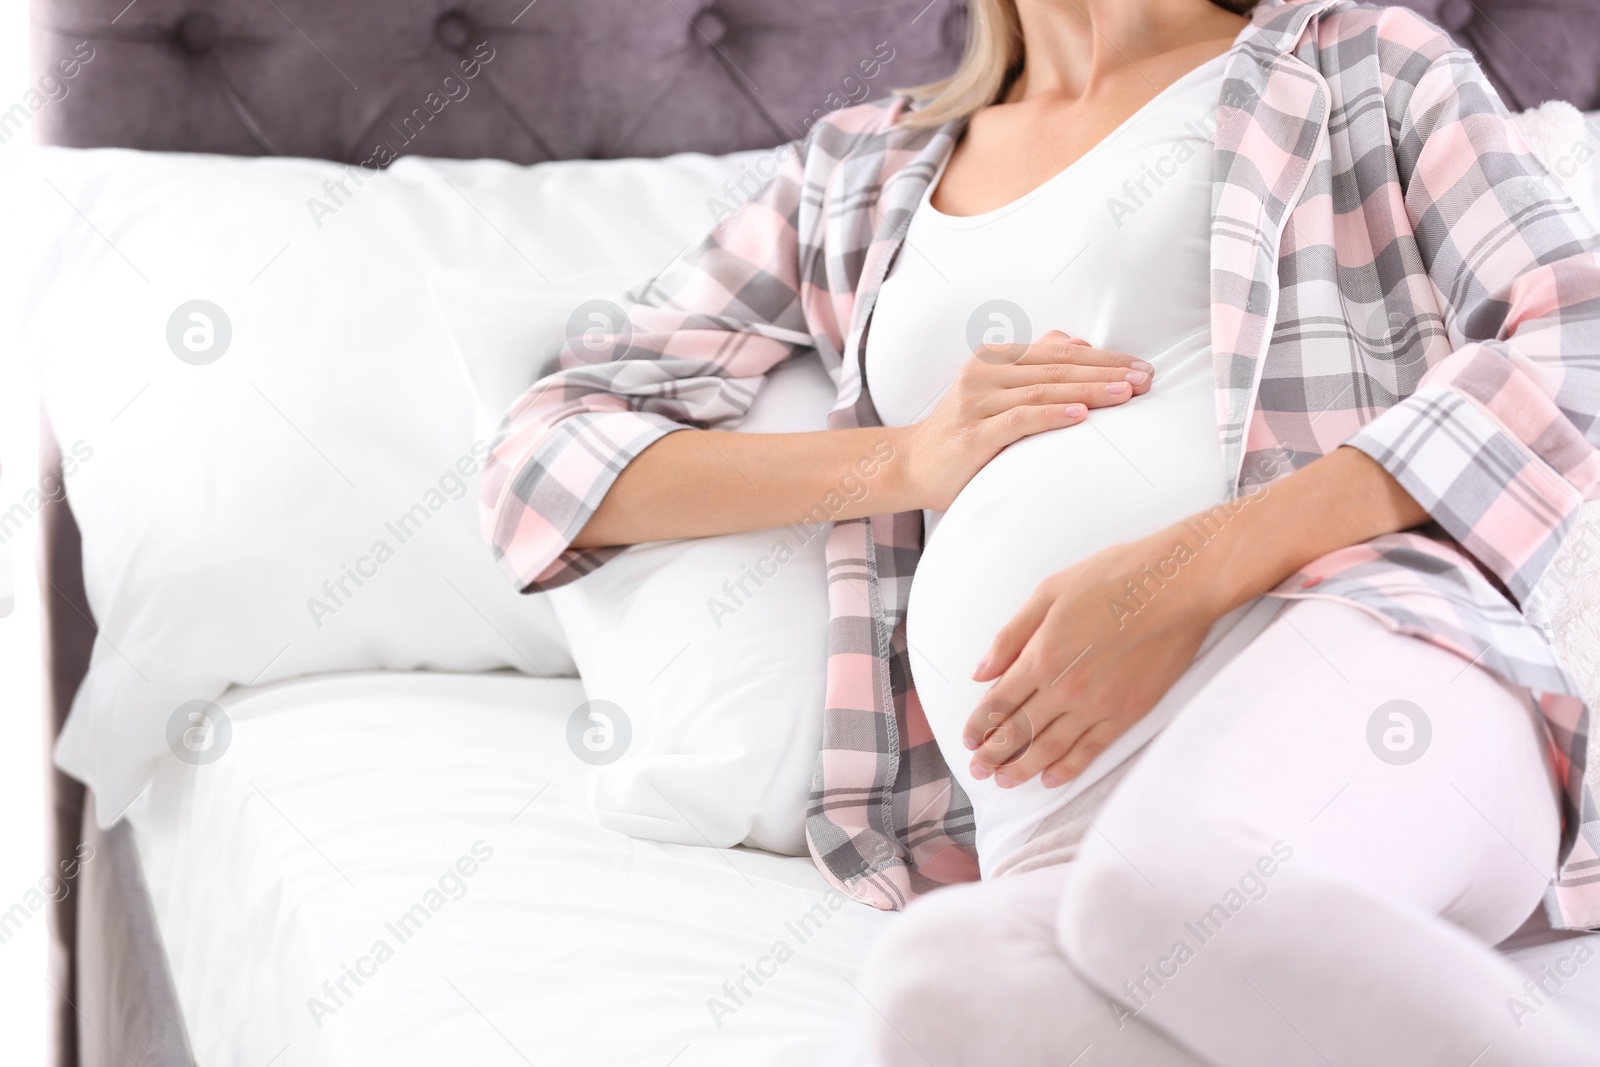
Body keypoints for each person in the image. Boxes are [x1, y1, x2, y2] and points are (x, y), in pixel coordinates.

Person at [479, 0, 1600, 1062]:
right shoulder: (856, 170)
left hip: (1366, 667)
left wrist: (1179, 579)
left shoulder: (1359, 63)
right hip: (1048, 804)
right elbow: (545, 453)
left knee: (1170, 886)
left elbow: (1576, 337)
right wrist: (905, 458)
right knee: (930, 981)